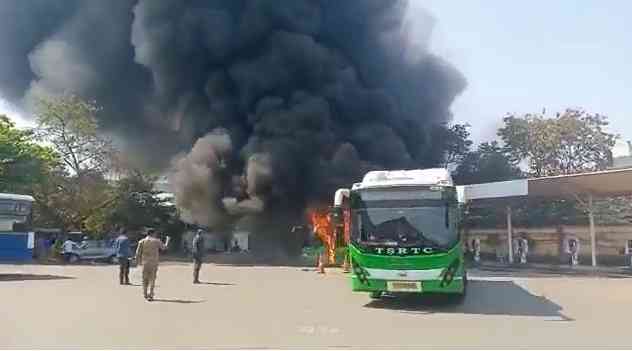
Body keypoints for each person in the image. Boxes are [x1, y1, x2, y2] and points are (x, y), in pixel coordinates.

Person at [135, 229, 170, 301]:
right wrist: (167, 240)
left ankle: (145, 293)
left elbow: (137, 253)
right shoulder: (156, 241)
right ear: (152, 233)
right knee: (152, 279)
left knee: (144, 278)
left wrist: (138, 262)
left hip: (145, 262)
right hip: (153, 263)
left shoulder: (142, 241)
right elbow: (164, 248)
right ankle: (151, 294)